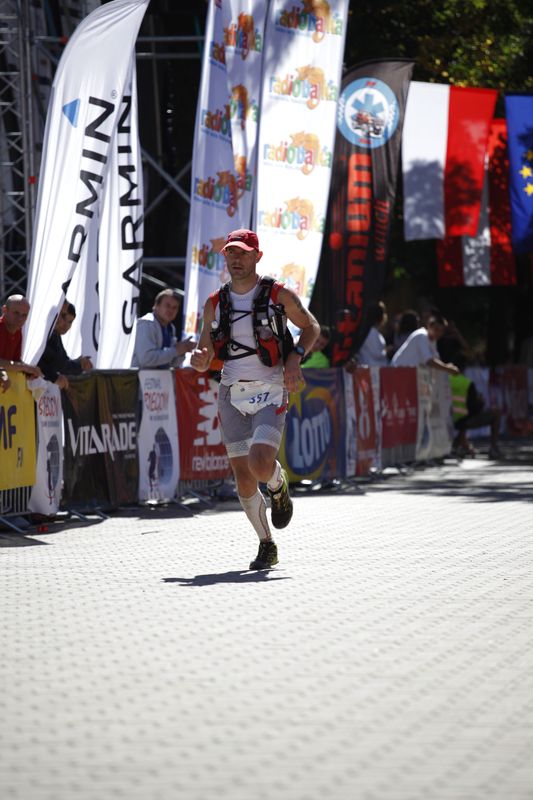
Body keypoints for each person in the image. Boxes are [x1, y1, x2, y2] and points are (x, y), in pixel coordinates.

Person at [190, 228, 320, 571]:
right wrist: (200, 359)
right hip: (231, 392)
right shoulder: (214, 303)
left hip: (271, 389)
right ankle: (266, 543)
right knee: (244, 477)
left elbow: (312, 328)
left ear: (257, 257)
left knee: (260, 464)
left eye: (244, 253)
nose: (236, 258)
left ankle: (278, 484)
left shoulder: (279, 294)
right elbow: (204, 350)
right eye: (231, 252)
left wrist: (295, 359)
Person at [449, 356, 503, 459]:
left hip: (448, 419)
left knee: (464, 418)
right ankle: (493, 448)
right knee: (496, 413)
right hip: (462, 420)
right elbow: (474, 408)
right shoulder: (466, 383)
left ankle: (461, 443)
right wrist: (480, 402)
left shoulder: (445, 381)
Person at [132, 288, 195, 369]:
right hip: (138, 377)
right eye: (167, 305)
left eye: (175, 307)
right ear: (156, 306)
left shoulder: (171, 328)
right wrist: (176, 350)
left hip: (158, 377)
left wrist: (182, 351)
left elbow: (171, 363)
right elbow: (146, 359)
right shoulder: (146, 323)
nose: (171, 310)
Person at [38, 301, 93, 389]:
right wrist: (79, 365)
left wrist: (78, 362)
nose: (66, 325)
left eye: (70, 322)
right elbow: (59, 364)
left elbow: (63, 360)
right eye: (63, 317)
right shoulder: (46, 333)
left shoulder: (55, 334)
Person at [391, 313, 459, 375]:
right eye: (436, 329)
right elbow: (429, 361)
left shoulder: (432, 341)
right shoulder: (421, 335)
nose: (439, 333)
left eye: (441, 330)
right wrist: (447, 368)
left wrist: (447, 367)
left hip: (408, 372)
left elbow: (436, 360)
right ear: (429, 326)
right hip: (398, 371)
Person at [0, 294, 42, 382]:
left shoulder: (18, 332)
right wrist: (24, 367)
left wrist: (28, 371)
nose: (20, 318)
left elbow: (14, 361)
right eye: (16, 313)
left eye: (24, 315)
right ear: (4, 310)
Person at [356, 301, 389, 366]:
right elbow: (377, 353)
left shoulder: (370, 331)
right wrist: (387, 350)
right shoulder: (371, 332)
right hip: (372, 368)